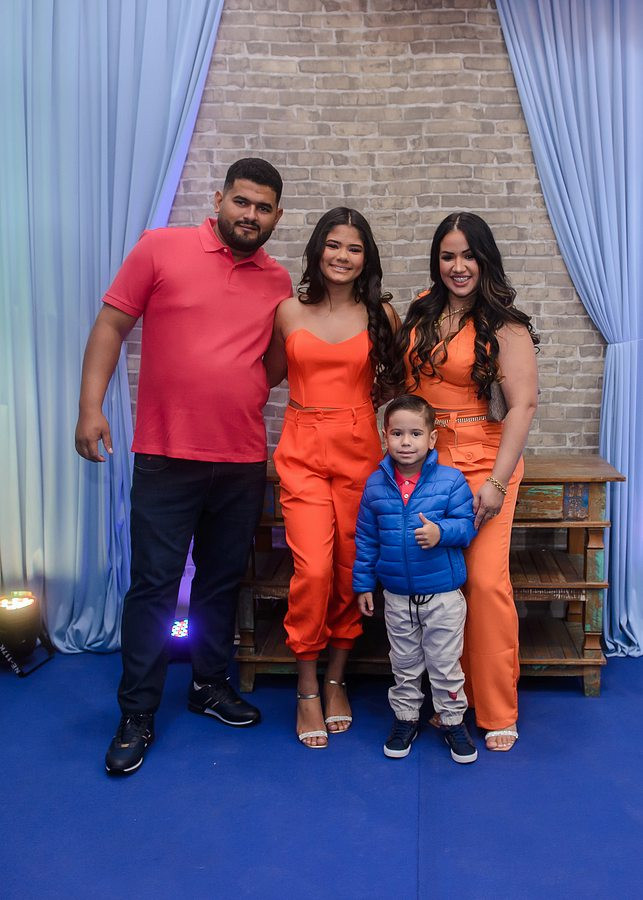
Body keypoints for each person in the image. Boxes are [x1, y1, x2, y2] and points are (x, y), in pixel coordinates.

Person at [75, 158, 292, 775]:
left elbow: (277, 359)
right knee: (154, 585)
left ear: (277, 216)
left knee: (221, 582)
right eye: (242, 202)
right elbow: (111, 325)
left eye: (263, 208)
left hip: (241, 458)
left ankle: (208, 685)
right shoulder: (160, 247)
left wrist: (244, 386)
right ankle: (137, 712)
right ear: (219, 198)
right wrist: (90, 407)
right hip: (167, 455)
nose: (250, 215)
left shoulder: (277, 280)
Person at [393, 212, 539, 752]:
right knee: (439, 583)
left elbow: (522, 407)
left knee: (482, 581)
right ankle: (454, 698)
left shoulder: (506, 325)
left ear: (485, 259)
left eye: (469, 255)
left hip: (483, 461)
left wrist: (497, 483)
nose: (458, 266)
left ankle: (496, 708)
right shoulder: (421, 312)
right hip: (426, 462)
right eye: (448, 256)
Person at [264, 207, 399, 748]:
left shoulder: (381, 314)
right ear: (318, 249)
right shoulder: (287, 311)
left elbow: (399, 383)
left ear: (367, 258)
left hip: (359, 450)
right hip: (301, 448)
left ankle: (336, 679)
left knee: (350, 569)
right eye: (334, 245)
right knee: (314, 570)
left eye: (354, 248)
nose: (342, 256)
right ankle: (306, 687)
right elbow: (266, 375)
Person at [353, 394, 477, 762]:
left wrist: (441, 532)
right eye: (397, 434)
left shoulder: (451, 481)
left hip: (443, 597)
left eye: (415, 434)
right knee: (404, 665)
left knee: (445, 664)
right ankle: (406, 718)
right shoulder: (375, 486)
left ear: (432, 438)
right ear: (385, 436)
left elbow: (467, 526)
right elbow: (366, 538)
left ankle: (453, 721)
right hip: (397, 598)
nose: (406, 442)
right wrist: (363, 583)